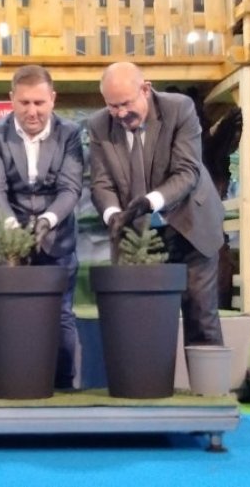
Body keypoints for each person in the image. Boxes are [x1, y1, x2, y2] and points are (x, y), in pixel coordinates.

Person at [87, 62, 225, 347]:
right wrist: (113, 215)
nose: (120, 113)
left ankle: (208, 376)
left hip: (190, 225)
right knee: (138, 321)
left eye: (126, 103)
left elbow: (187, 172)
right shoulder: (99, 125)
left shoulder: (179, 109)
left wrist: (149, 202)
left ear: (146, 90)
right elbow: (101, 183)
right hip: (138, 234)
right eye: (112, 106)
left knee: (200, 316)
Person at [0, 65, 84, 389]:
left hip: (57, 238)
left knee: (61, 315)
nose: (32, 111)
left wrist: (47, 221)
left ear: (53, 99)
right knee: (9, 318)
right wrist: (12, 228)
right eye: (24, 103)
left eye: (39, 103)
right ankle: (12, 383)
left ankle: (64, 387)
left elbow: (70, 189)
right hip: (11, 242)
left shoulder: (70, 133)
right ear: (12, 99)